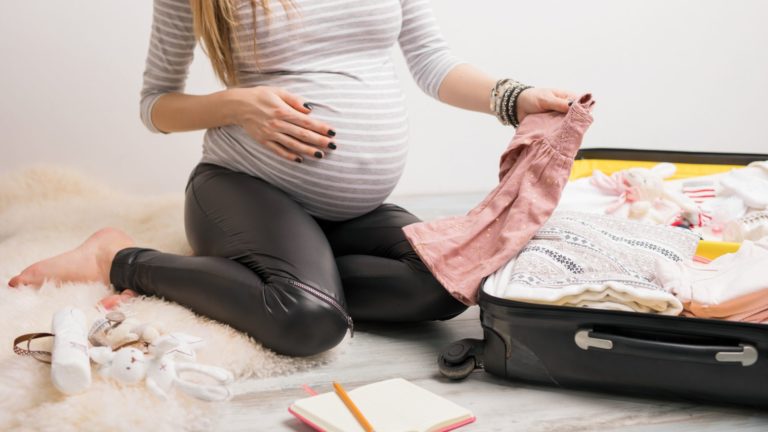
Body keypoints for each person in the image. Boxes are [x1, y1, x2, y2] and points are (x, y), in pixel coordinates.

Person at [8, 0, 577, 357]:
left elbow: (432, 61)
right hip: (242, 187)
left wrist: (514, 97)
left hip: (351, 211)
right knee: (309, 321)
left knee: (447, 282)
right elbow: (155, 105)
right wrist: (236, 104)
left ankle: (281, 276)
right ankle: (117, 257)